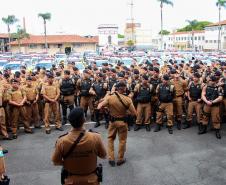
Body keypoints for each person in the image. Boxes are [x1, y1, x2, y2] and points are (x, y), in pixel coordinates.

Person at [52, 107, 107, 185]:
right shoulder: (96, 137)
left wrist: (69, 162)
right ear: (84, 120)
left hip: (71, 181)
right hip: (91, 180)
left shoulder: (62, 141)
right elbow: (103, 155)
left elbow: (55, 161)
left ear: (70, 122)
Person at [97, 82, 136, 167]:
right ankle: (120, 159)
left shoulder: (110, 98)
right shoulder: (127, 99)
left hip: (112, 122)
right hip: (123, 122)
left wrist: (106, 108)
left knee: (110, 139)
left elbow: (99, 106)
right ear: (124, 89)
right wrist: (127, 112)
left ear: (116, 89)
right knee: (122, 141)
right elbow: (134, 113)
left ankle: (111, 158)